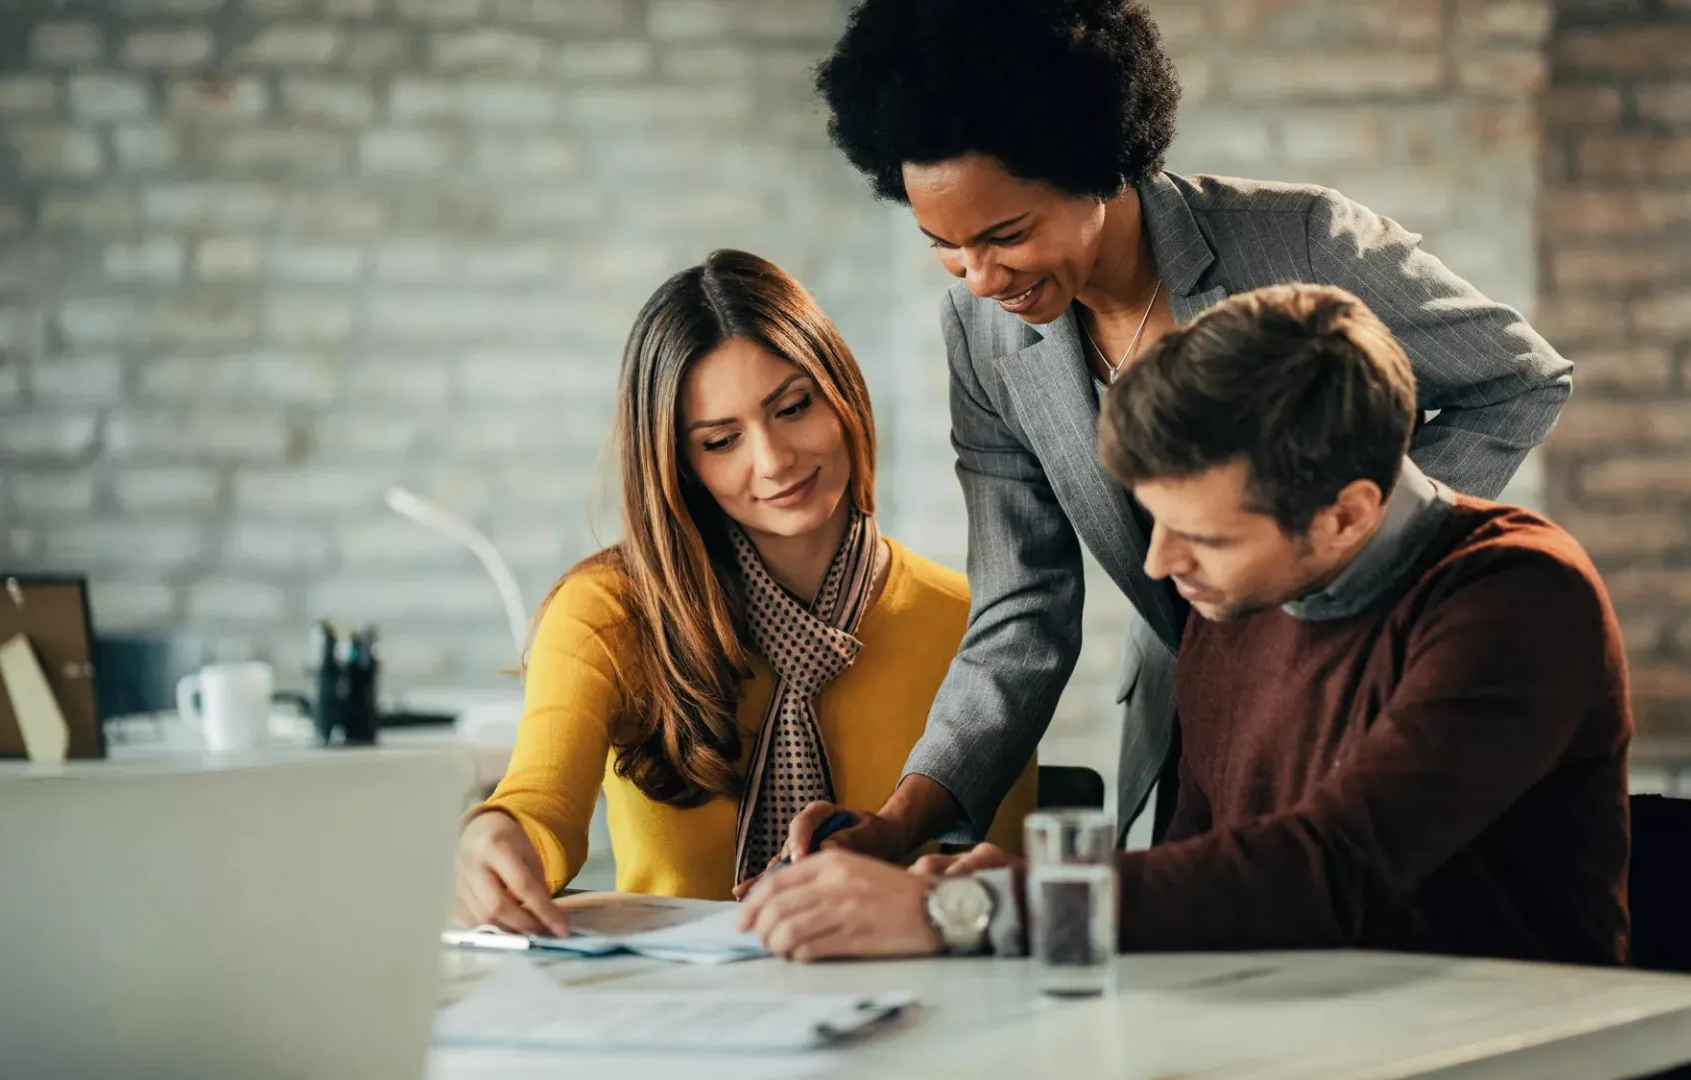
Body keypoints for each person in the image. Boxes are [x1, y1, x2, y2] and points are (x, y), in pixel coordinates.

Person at [781, 0, 1575, 865]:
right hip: (1193, 718)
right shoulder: (983, 336)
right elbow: (1023, 609)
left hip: (1356, 680)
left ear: (1099, 167)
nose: (978, 278)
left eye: (1007, 235)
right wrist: (904, 820)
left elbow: (1517, 378)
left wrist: (1332, 547)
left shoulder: (1299, 242)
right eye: (944, 244)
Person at [738, 283, 1631, 966]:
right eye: (1155, 520)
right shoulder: (1233, 594)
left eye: (1202, 534)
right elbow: (1204, 874)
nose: (1159, 566)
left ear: (1349, 515)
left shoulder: (1519, 598)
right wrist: (995, 884)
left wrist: (967, 913)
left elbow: (1329, 873)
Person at [453, 250, 1036, 935]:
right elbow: (539, 808)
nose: (773, 460)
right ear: (680, 466)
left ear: (843, 392)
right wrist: (495, 837)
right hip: (682, 1020)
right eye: (721, 440)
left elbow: (1000, 885)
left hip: (921, 1004)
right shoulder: (608, 613)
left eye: (793, 407)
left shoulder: (974, 623)